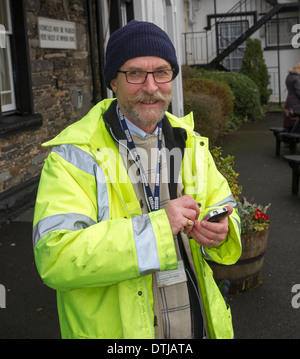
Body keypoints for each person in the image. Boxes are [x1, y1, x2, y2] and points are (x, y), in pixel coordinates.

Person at [33, 20, 241, 339]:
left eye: (161, 71)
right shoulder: (74, 155)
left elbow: (226, 207)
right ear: (113, 82)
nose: (151, 86)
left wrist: (222, 232)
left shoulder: (190, 142)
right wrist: (157, 229)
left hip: (197, 327)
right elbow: (55, 256)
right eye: (134, 73)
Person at [283, 62, 300, 130]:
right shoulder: (297, 77)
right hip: (296, 103)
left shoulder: (289, 76)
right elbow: (299, 91)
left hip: (289, 102)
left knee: (291, 120)